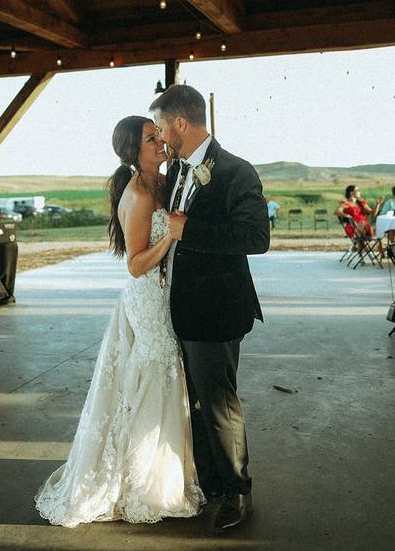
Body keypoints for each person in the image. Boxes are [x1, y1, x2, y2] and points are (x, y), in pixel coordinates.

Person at [35, 116, 204, 527]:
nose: (161, 141)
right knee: (156, 374)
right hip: (148, 298)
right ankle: (144, 484)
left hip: (165, 293)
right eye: (152, 138)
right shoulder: (139, 195)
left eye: (159, 134)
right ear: (134, 152)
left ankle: (163, 473)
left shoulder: (163, 182)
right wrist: (171, 238)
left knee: (165, 375)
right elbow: (134, 264)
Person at [152, 84, 269, 530]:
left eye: (163, 126)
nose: (161, 136)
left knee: (219, 402)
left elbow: (257, 239)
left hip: (217, 308)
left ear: (181, 122)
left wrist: (191, 231)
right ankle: (210, 484)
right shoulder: (178, 171)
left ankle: (239, 492)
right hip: (179, 309)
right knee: (193, 401)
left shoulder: (236, 171)